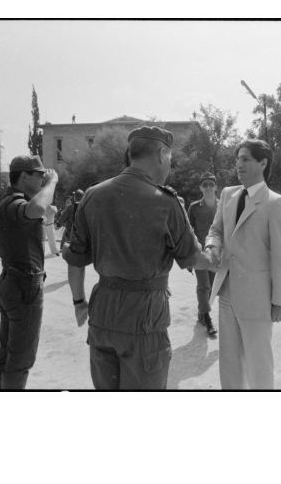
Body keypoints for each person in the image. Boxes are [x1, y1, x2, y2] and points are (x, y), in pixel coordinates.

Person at [62, 126, 215, 390]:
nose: (170, 164)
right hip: (145, 319)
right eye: (169, 157)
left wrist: (79, 302)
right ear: (160, 154)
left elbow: (75, 260)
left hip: (102, 317)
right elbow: (194, 258)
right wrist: (216, 254)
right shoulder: (166, 201)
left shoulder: (92, 195)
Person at [205, 139, 281, 390]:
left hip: (257, 297)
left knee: (258, 364)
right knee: (229, 362)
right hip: (226, 292)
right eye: (237, 159)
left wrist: (280, 301)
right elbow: (215, 230)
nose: (238, 164)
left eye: (245, 159)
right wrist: (212, 246)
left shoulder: (276, 203)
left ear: (263, 162)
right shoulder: (228, 194)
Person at [0, 155, 58, 389]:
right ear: (24, 176)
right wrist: (53, 182)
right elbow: (37, 208)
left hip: (13, 282)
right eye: (39, 175)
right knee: (20, 359)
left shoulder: (9, 202)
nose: (43, 178)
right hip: (23, 287)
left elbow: (39, 210)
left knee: (8, 353)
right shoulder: (15, 203)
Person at [187, 172, 219, 336]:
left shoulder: (223, 206)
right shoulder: (194, 207)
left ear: (215, 187)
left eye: (210, 184)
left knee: (213, 287)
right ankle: (206, 318)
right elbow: (188, 231)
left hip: (216, 253)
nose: (208, 187)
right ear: (200, 188)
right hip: (199, 253)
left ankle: (201, 312)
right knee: (203, 285)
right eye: (204, 185)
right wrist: (189, 256)